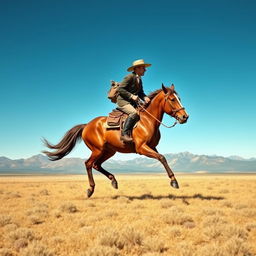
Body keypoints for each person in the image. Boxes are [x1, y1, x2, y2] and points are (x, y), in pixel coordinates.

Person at [116, 59, 151, 142]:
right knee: (134, 113)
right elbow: (120, 89)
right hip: (123, 102)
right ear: (137, 68)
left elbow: (141, 93)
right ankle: (124, 135)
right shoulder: (129, 77)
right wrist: (131, 96)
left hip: (132, 103)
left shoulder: (140, 80)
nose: (145, 70)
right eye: (143, 68)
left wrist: (145, 97)